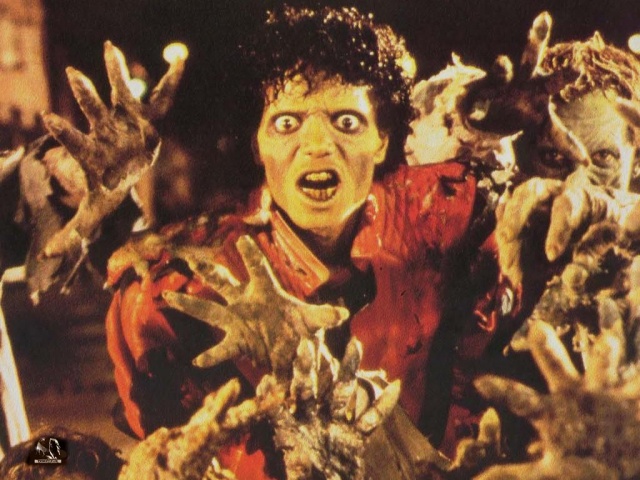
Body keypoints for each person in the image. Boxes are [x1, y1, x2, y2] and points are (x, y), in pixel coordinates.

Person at [102, 5, 515, 477]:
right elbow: (175, 452)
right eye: (287, 123)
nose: (317, 145)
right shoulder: (178, 284)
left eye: (347, 122)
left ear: (382, 140)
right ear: (258, 144)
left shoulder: (446, 217)